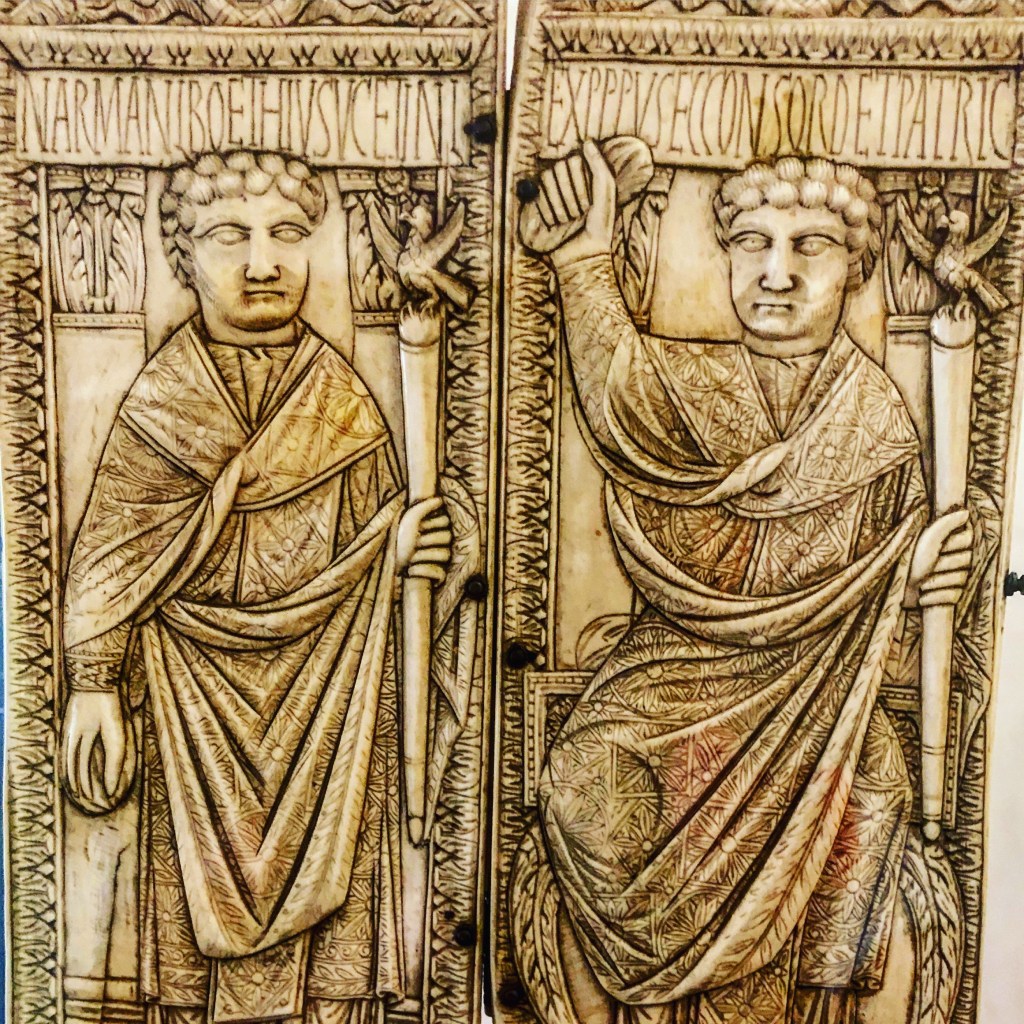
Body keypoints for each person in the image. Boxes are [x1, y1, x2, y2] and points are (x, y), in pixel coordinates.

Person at [514, 144, 973, 1024]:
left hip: (815, 692)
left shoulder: (877, 421)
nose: (777, 273)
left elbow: (877, 596)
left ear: (856, 268)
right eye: (754, 242)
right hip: (668, 678)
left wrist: (911, 581)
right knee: (578, 780)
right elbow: (614, 392)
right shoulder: (685, 382)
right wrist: (580, 256)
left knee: (874, 784)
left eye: (811, 246)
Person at [60, 151, 467, 1024]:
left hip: (331, 711)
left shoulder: (343, 398)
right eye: (228, 236)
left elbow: (388, 562)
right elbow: (111, 558)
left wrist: (403, 549)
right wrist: (93, 685)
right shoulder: (162, 401)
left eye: (286, 234)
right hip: (191, 711)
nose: (262, 262)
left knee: (331, 976)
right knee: (192, 961)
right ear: (183, 257)